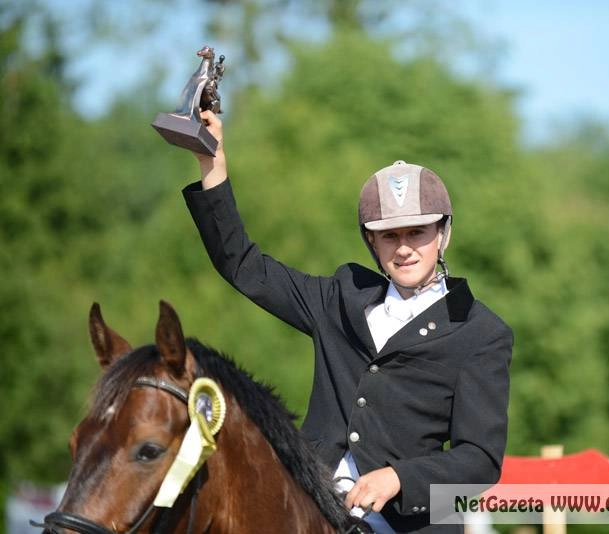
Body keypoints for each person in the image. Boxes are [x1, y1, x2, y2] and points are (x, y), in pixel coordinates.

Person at [182, 110, 513, 534]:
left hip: (406, 522)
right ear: (370, 240)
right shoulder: (340, 299)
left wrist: (398, 477)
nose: (405, 248)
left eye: (417, 232)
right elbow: (244, 266)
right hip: (308, 505)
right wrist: (213, 163)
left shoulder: (479, 332)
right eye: (390, 235)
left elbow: (480, 458)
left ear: (443, 233)